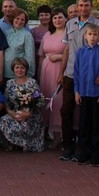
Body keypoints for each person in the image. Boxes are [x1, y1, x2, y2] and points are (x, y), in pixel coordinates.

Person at [59, 0, 99, 161]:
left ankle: (84, 149)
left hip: (91, 77)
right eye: (80, 5)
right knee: (66, 110)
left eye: (86, 5)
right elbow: (66, 49)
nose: (83, 8)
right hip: (71, 74)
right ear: (76, 7)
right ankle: (67, 146)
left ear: (91, 6)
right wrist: (61, 72)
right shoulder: (70, 24)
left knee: (87, 114)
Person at [73, 23, 99, 166]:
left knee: (97, 126)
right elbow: (76, 73)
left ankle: (96, 156)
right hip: (83, 93)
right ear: (85, 36)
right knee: (84, 125)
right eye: (90, 34)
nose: (93, 37)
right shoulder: (80, 52)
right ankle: (84, 154)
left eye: (95, 34)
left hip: (97, 94)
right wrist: (76, 92)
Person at [0, 57, 45, 152]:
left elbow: (39, 101)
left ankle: (25, 144)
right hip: (16, 113)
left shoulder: (32, 83)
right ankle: (12, 144)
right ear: (13, 69)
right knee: (3, 121)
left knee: (26, 124)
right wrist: (11, 113)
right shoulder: (9, 83)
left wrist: (28, 113)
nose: (19, 70)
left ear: (26, 69)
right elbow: (6, 102)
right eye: (17, 67)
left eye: (22, 67)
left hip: (31, 114)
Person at [38, 7, 67, 145]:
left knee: (58, 102)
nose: (57, 20)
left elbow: (72, 54)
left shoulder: (68, 35)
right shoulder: (47, 34)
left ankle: (59, 136)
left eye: (60, 17)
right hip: (46, 71)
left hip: (60, 70)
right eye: (55, 18)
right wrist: (39, 74)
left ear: (65, 19)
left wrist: (59, 56)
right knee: (47, 100)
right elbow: (41, 55)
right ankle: (47, 133)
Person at [2, 9, 36, 81]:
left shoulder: (27, 35)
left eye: (22, 20)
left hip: (20, 73)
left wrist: (28, 74)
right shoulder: (6, 33)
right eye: (17, 18)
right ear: (13, 19)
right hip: (6, 72)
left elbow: (30, 57)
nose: (19, 21)